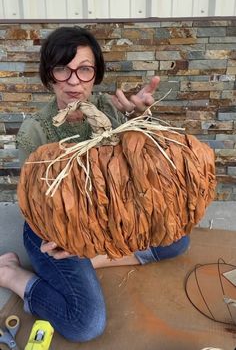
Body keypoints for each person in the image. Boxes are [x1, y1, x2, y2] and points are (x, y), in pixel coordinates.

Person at [0, 26, 190, 342]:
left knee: (176, 240)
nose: (74, 80)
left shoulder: (109, 110)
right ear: (50, 75)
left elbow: (142, 165)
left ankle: (92, 259)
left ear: (95, 74)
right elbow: (37, 208)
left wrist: (141, 121)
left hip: (103, 218)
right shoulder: (34, 133)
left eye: (84, 69)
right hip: (55, 229)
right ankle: (11, 274)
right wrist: (71, 240)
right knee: (86, 324)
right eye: (63, 68)